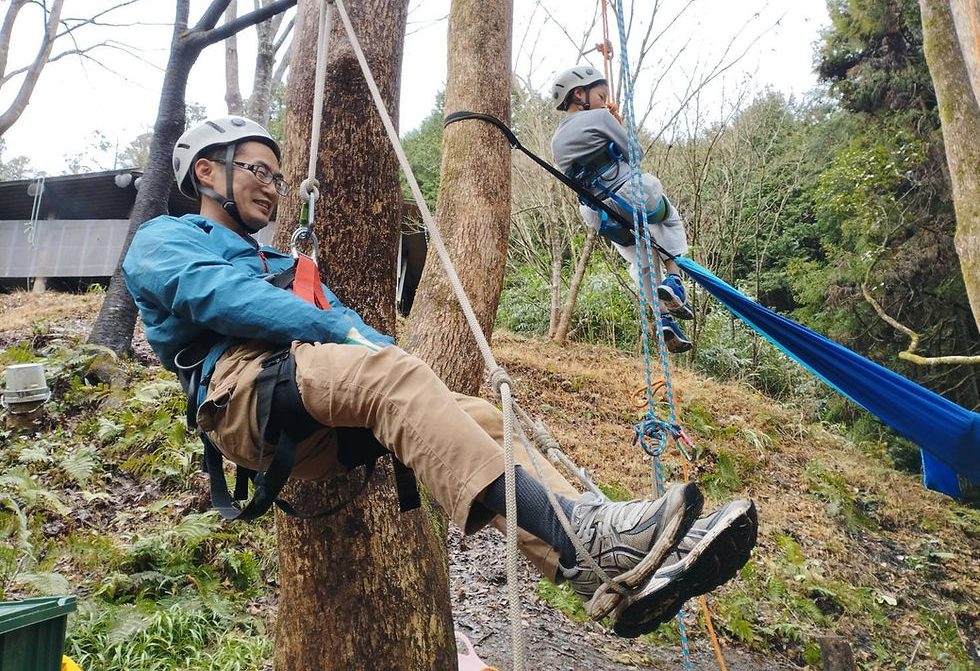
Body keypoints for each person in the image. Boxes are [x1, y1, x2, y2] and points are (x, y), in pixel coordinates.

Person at [122, 115, 757, 636]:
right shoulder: (165, 238)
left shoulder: (281, 264)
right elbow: (218, 296)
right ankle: (586, 537)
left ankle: (602, 560)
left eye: (277, 178)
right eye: (258, 170)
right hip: (242, 393)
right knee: (390, 375)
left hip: (308, 404)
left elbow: (351, 328)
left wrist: (392, 360)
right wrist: (347, 337)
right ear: (207, 172)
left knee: (477, 416)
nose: (271, 187)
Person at [551, 64, 695, 353]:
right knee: (669, 219)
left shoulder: (556, 142)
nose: (604, 102)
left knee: (642, 259)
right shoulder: (600, 117)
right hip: (630, 193)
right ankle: (674, 279)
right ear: (579, 94)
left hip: (601, 214)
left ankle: (664, 318)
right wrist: (616, 122)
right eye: (601, 96)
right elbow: (635, 154)